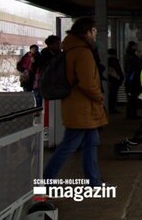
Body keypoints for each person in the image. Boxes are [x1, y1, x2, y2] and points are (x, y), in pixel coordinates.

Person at [43, 17, 108, 187]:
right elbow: (87, 83)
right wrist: (99, 97)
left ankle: (93, 181)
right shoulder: (83, 53)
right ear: (86, 32)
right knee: (69, 145)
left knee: (91, 143)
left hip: (78, 107)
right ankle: (46, 181)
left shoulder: (71, 50)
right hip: (83, 108)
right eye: (93, 31)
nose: (95, 35)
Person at [124, 41, 141, 119]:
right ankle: (132, 114)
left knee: (131, 98)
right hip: (133, 80)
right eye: (136, 46)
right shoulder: (132, 56)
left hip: (131, 79)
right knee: (132, 98)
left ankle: (131, 114)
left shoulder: (129, 56)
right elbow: (133, 68)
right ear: (133, 47)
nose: (137, 47)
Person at [107, 48, 124, 114]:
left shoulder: (108, 61)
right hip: (115, 79)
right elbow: (117, 70)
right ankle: (112, 108)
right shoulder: (114, 61)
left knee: (112, 94)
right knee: (113, 94)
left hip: (112, 79)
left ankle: (111, 108)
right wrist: (119, 77)